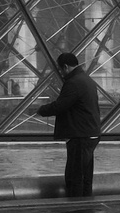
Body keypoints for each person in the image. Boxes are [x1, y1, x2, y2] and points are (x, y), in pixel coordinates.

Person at [37, 51, 101, 198]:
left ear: (65, 67)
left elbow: (60, 105)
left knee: (74, 177)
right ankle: (86, 209)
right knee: (86, 176)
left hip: (80, 135)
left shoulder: (73, 82)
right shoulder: (87, 80)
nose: (61, 73)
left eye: (60, 70)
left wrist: (41, 110)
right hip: (91, 133)